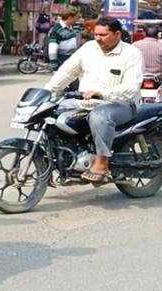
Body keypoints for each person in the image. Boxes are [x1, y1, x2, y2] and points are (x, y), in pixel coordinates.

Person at [44, 17, 143, 183]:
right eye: (96, 34)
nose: (98, 38)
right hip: (86, 102)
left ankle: (102, 161)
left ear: (117, 34)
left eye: (103, 35)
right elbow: (66, 72)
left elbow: (131, 87)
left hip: (121, 104)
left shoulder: (131, 54)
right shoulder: (88, 48)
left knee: (99, 116)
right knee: (51, 111)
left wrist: (102, 93)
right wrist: (47, 92)